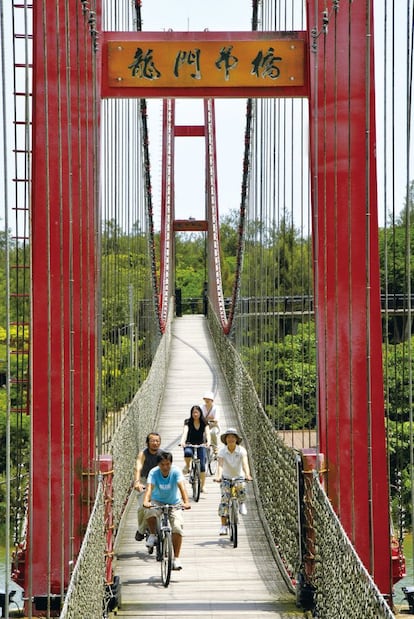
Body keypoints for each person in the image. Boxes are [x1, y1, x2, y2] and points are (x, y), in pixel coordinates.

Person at [143, 451, 191, 570]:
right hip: (157, 501)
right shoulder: (153, 473)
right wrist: (146, 501)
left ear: (171, 463)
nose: (165, 467)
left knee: (177, 528)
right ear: (158, 464)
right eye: (162, 464)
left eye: (168, 464)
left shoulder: (176, 471)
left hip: (174, 502)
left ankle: (176, 558)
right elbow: (149, 489)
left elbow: (182, 487)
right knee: (149, 511)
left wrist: (186, 502)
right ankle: (153, 534)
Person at [214, 427, 252, 536]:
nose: (230, 439)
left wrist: (248, 475)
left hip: (239, 476)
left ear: (236, 439)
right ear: (225, 440)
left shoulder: (241, 450)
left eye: (233, 437)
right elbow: (220, 465)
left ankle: (241, 503)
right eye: (228, 437)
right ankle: (223, 525)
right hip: (226, 477)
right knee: (225, 498)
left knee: (241, 487)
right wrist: (218, 476)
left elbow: (245, 464)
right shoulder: (222, 451)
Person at [133, 432, 163, 541]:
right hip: (144, 481)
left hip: (159, 482)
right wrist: (137, 482)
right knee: (143, 507)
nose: (155, 443)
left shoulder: (162, 454)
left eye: (157, 441)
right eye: (152, 441)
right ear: (147, 443)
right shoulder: (143, 454)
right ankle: (141, 530)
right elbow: (138, 467)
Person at [180, 404, 211, 492]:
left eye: (197, 412)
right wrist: (182, 441)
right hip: (189, 443)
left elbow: (208, 433)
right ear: (191, 413)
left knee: (202, 466)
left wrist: (208, 442)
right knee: (188, 453)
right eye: (194, 413)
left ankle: (203, 486)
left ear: (200, 413)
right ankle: (187, 465)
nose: (195, 414)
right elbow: (185, 432)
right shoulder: (187, 422)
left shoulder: (204, 422)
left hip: (201, 444)